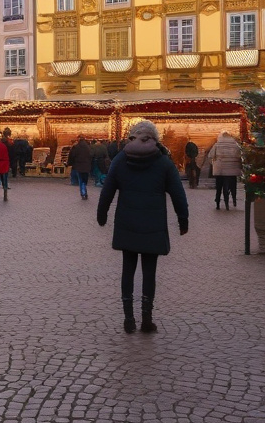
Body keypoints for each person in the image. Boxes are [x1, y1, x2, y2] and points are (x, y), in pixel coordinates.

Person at [97, 120, 188, 334]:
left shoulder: (121, 159)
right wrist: (183, 219)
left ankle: (128, 318)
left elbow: (107, 189)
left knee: (127, 270)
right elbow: (178, 193)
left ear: (133, 136)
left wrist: (102, 214)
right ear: (155, 138)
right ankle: (147, 319)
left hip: (127, 223)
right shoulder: (163, 161)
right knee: (149, 272)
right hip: (153, 225)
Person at [207, 131, 242, 210]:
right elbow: (240, 156)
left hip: (220, 170)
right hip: (232, 170)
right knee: (233, 186)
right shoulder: (235, 145)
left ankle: (218, 202)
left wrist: (214, 164)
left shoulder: (217, 145)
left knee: (219, 187)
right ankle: (234, 200)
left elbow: (210, 156)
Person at [68, 135, 94, 200]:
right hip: (87, 166)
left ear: (78, 139)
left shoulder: (76, 147)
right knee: (84, 180)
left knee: (81, 180)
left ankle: (83, 193)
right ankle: (84, 192)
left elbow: (71, 156)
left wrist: (69, 163)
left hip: (79, 166)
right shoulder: (88, 147)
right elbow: (92, 155)